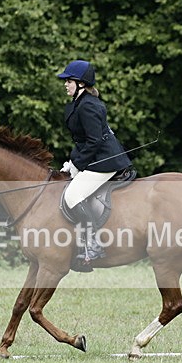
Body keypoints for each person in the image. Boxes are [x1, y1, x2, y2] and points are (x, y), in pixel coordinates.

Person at [57, 59, 132, 271]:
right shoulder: (78, 104)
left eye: (69, 81)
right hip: (94, 157)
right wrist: (73, 163)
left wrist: (77, 164)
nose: (65, 84)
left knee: (72, 196)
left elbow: (94, 141)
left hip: (105, 161)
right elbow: (82, 142)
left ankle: (94, 244)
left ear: (81, 83)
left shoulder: (89, 105)